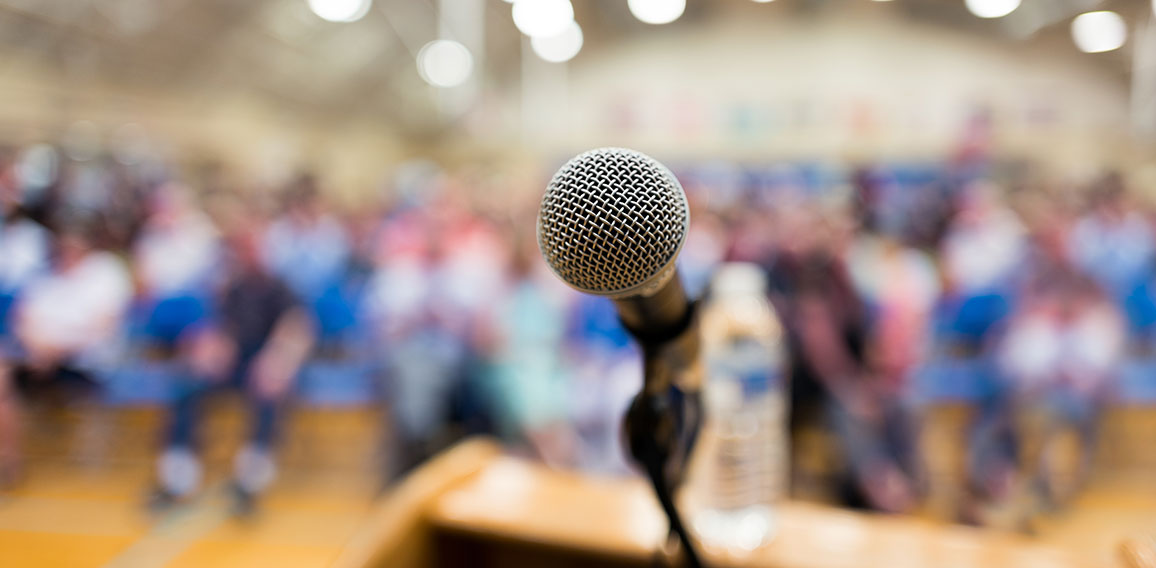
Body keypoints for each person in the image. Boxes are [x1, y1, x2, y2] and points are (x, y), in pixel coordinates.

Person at [151, 217, 313, 516]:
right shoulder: (232, 288)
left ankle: (250, 484)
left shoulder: (282, 288)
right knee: (187, 386)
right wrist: (209, 353)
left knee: (268, 396)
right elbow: (219, 330)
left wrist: (277, 361)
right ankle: (178, 479)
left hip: (269, 364)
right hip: (236, 363)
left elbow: (297, 328)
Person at [1, 218, 132, 485]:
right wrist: (37, 347)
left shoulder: (106, 272)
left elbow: (103, 328)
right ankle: (9, 462)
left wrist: (55, 350)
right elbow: (22, 319)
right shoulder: (44, 276)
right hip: (38, 357)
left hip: (88, 362)